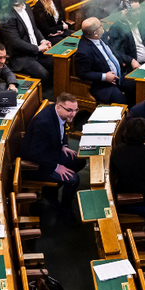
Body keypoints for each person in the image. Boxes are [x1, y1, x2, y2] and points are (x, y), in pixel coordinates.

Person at [20, 93, 87, 222]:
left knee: (79, 162)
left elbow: (61, 130)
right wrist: (56, 167)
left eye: (75, 110)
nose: (73, 114)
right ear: (58, 107)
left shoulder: (59, 114)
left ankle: (50, 190)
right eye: (69, 110)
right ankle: (64, 210)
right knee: (72, 179)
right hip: (36, 165)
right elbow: (35, 153)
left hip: (51, 151)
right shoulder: (44, 123)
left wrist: (64, 145)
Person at [75, 17, 136, 104]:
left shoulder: (101, 36)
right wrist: (104, 76)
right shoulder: (84, 52)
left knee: (139, 86)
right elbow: (83, 73)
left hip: (119, 76)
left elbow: (114, 51)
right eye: (100, 25)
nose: (102, 26)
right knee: (121, 101)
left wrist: (130, 60)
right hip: (103, 85)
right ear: (95, 33)